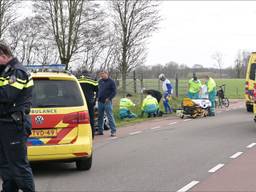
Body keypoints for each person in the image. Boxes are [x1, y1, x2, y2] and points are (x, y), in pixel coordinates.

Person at [0, 42, 35, 191]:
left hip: (14, 125)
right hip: (4, 124)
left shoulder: (18, 72)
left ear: (3, 56)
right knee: (6, 167)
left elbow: (6, 95)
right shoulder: (5, 71)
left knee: (19, 168)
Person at [96, 71, 117, 137]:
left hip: (107, 102)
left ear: (106, 74)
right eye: (101, 76)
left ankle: (113, 131)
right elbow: (98, 90)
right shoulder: (100, 81)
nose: (102, 77)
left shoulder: (111, 82)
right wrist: (97, 97)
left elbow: (114, 92)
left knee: (109, 116)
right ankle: (100, 131)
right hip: (100, 101)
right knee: (100, 116)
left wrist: (109, 98)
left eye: (103, 75)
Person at [79, 71, 98, 138]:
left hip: (79, 102)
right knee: (91, 118)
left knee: (79, 119)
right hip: (90, 101)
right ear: (88, 74)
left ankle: (81, 134)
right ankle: (92, 134)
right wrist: (95, 100)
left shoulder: (77, 79)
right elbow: (97, 90)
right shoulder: (92, 79)